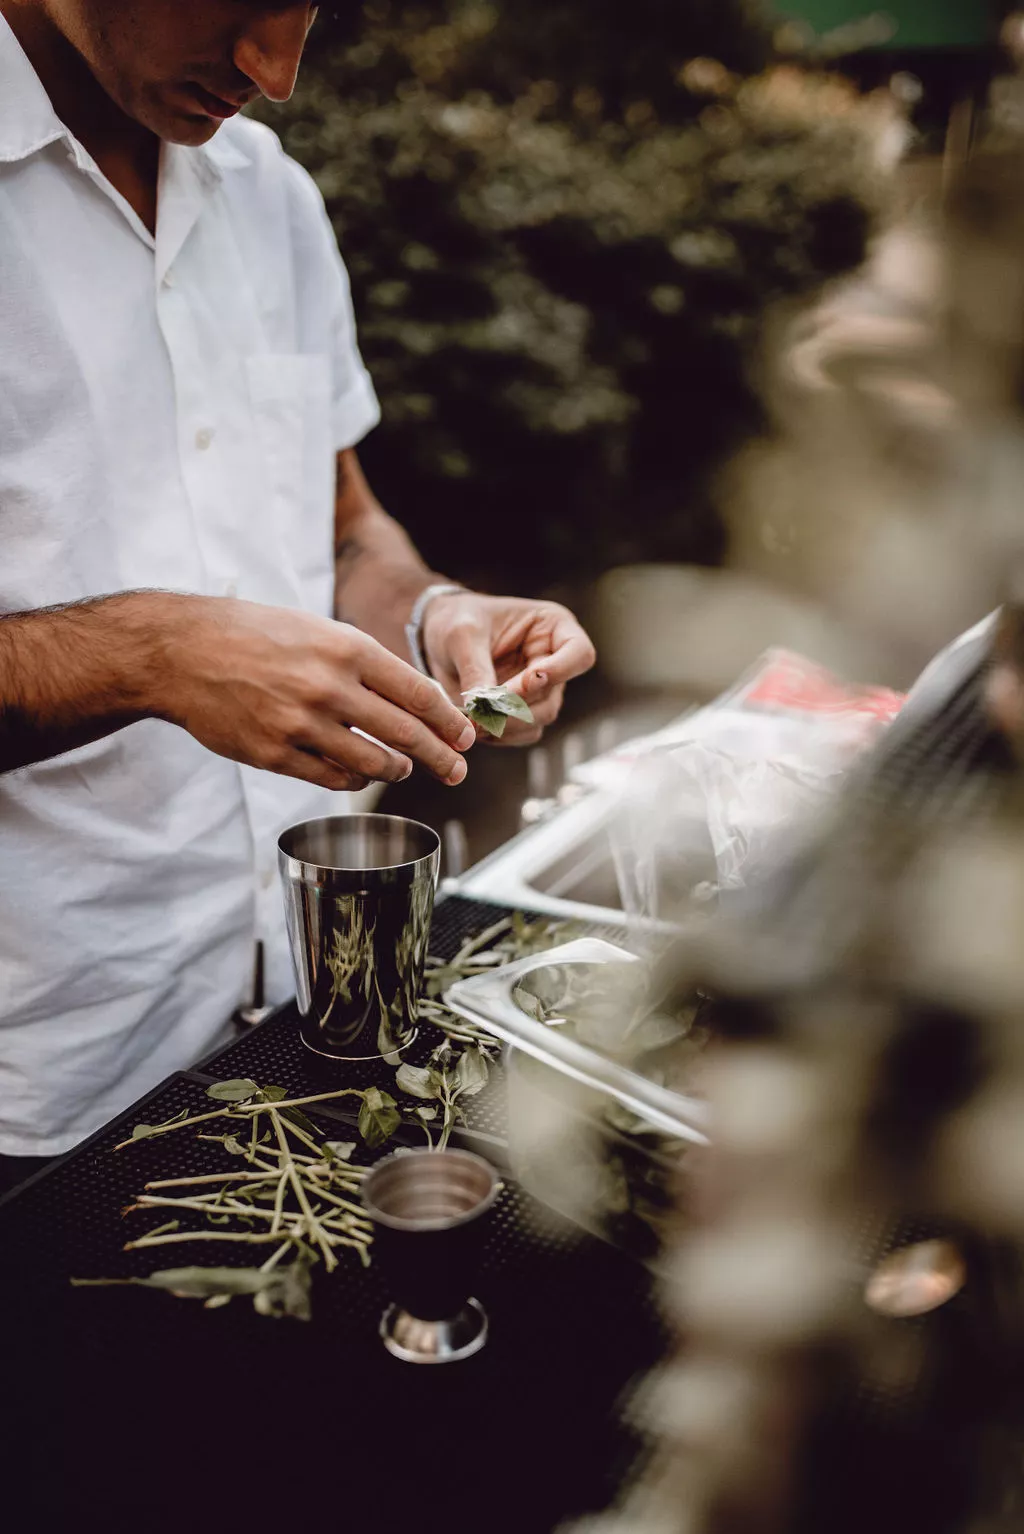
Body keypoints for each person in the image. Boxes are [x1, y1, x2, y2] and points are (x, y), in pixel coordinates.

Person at [0, 0, 596, 1187]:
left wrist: (435, 616)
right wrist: (152, 652)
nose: (274, 72)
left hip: (303, 1011)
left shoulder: (269, 195)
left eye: (306, 9)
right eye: (238, 3)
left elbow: (347, 531)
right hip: (42, 1083)